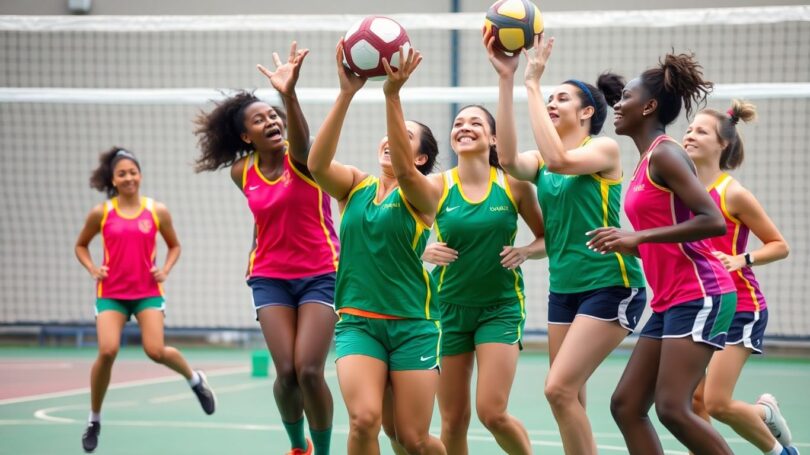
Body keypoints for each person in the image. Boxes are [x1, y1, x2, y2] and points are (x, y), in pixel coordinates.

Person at [491, 34, 647, 454]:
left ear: (588, 112)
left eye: (562, 98)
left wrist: (533, 83)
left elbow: (562, 160)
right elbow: (507, 160)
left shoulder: (603, 149)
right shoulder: (541, 162)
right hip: (565, 289)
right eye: (550, 99)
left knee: (557, 389)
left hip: (610, 285)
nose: (552, 103)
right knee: (571, 395)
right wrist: (508, 79)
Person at [588, 51, 737, 455]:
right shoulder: (642, 163)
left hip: (702, 290)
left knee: (673, 407)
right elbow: (665, 239)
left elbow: (712, 221)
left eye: (627, 98)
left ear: (649, 106)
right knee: (627, 405)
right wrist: (626, 242)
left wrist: (637, 239)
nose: (617, 105)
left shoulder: (667, 153)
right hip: (671, 297)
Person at [194, 43, 338, 455]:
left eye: (273, 114)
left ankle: (324, 452)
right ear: (246, 136)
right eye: (260, 119)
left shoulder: (305, 160)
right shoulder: (243, 172)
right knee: (287, 371)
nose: (271, 121)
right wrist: (253, 252)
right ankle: (298, 446)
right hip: (270, 278)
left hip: (321, 273)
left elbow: (303, 138)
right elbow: (265, 220)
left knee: (310, 370)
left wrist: (288, 94)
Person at [307, 43, 445, 455]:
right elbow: (315, 165)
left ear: (420, 158)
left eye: (404, 137)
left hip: (413, 326)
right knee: (364, 420)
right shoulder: (355, 185)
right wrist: (347, 93)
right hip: (358, 322)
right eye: (388, 135)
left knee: (411, 438)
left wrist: (393, 94)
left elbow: (403, 171)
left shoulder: (426, 193)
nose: (391, 140)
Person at [419, 69, 545, 455]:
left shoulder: (513, 183)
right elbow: (401, 238)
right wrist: (423, 250)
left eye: (475, 122)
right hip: (448, 309)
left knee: (492, 412)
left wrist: (525, 250)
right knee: (452, 421)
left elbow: (547, 239)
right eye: (458, 123)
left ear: (493, 137)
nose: (464, 127)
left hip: (500, 308)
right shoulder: (437, 186)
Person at [75, 147, 216, 453]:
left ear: (140, 174)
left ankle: (195, 380)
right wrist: (92, 268)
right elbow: (81, 246)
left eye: (133, 172)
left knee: (155, 350)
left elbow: (174, 245)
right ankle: (94, 419)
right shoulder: (102, 213)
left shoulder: (156, 211)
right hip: (111, 293)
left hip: (147, 293)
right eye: (122, 173)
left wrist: (164, 269)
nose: (129, 178)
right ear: (113, 179)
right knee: (108, 350)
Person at [683, 100, 796, 455]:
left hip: (742, 307)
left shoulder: (732, 192)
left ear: (723, 145)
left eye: (701, 131)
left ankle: (780, 448)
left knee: (715, 402)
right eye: (689, 129)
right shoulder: (681, 190)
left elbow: (779, 245)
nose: (690, 135)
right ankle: (763, 414)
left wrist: (740, 259)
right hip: (701, 306)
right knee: (694, 401)